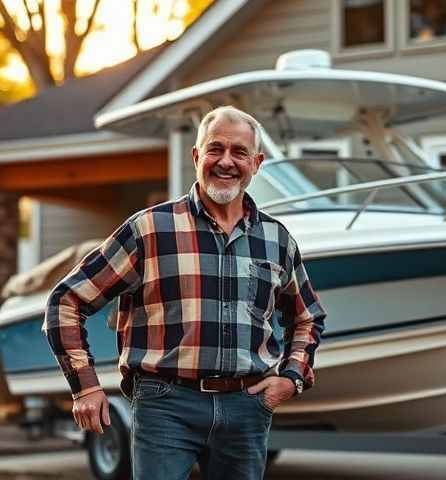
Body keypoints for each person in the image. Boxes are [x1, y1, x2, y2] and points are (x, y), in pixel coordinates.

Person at [44, 105, 326, 479]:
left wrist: (291, 379)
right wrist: (85, 388)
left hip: (246, 407)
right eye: (215, 149)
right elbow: (66, 301)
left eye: (239, 152)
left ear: (256, 163)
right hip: (165, 406)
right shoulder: (149, 230)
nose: (226, 161)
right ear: (196, 156)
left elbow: (307, 317)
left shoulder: (277, 240)